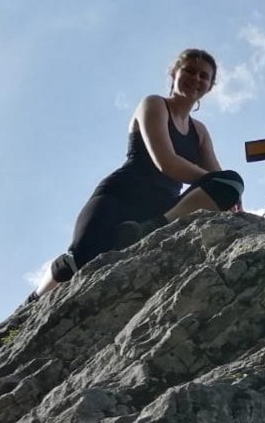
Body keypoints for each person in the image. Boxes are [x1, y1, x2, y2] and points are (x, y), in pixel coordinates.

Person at [37, 48, 244, 295]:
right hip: (121, 195)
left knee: (232, 183)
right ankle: (32, 302)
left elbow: (217, 175)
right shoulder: (154, 104)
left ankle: (152, 229)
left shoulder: (199, 131)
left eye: (203, 76)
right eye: (189, 70)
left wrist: (231, 196)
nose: (195, 79)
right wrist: (216, 184)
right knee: (80, 259)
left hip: (161, 209)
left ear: (210, 86)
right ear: (173, 73)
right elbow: (165, 161)